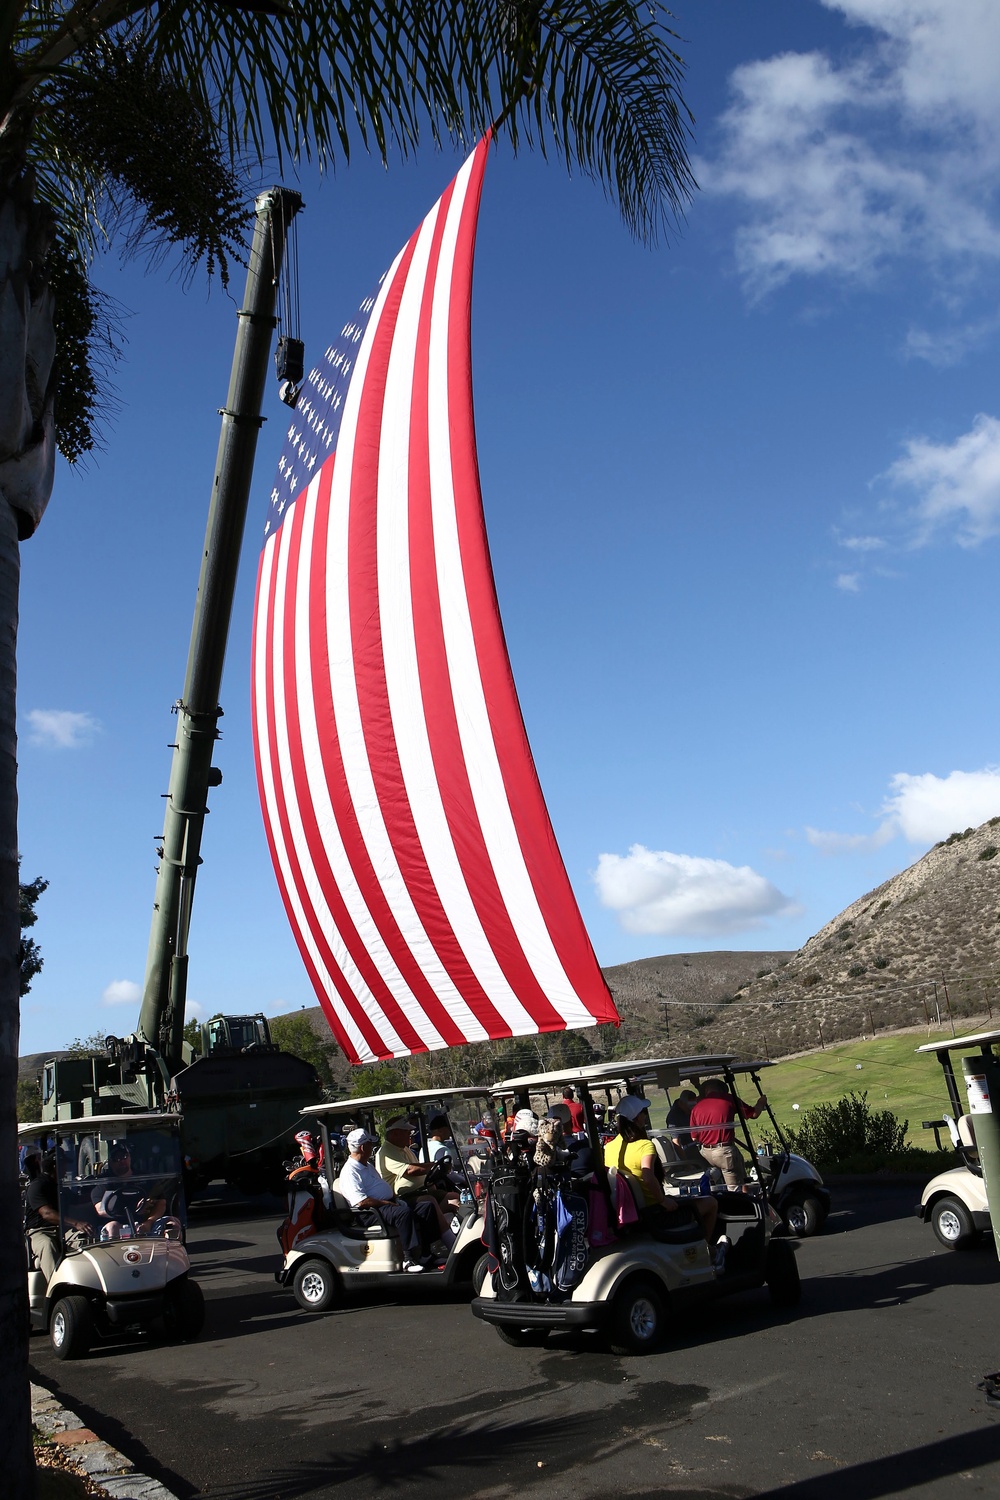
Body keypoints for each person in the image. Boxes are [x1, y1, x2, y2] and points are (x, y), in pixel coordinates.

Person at [604, 1094, 721, 1258]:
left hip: (636, 1214)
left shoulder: (609, 1147)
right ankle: (708, 1252)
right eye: (644, 1111)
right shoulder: (645, 1146)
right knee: (711, 1202)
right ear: (638, 1117)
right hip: (657, 1215)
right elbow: (648, 1177)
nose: (645, 1115)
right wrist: (663, 1201)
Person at [337, 1128, 440, 1272]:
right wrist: (387, 1202)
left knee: (426, 1206)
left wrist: (394, 1199)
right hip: (369, 1212)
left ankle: (426, 1254)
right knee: (402, 1212)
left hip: (383, 1205)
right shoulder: (350, 1171)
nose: (372, 1147)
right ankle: (408, 1259)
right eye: (370, 1144)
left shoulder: (366, 1165)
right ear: (362, 1147)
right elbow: (361, 1202)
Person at [688, 1078, 767, 1190]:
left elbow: (694, 1137)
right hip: (724, 1152)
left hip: (706, 1153)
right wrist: (761, 1103)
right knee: (736, 1189)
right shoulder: (728, 1099)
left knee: (722, 1182)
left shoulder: (696, 1108)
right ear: (722, 1089)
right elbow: (753, 1114)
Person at [24, 1153, 91, 1282]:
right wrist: (76, 1223)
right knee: (47, 1245)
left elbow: (77, 1200)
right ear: (56, 1166)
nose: (66, 1168)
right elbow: (47, 1213)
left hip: (62, 1230)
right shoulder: (37, 1186)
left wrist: (97, 1194)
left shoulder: (59, 1186)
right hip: (39, 1232)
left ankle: (85, 1280)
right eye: (64, 1164)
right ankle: (57, 1286)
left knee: (84, 1237)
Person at [91, 1141, 167, 1235]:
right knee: (113, 1227)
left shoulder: (145, 1178)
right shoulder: (104, 1182)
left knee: (172, 1224)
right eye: (117, 1159)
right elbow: (100, 1210)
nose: (122, 1161)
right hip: (116, 1225)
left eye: (124, 1157)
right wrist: (133, 1209)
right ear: (110, 1162)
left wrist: (149, 1222)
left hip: (145, 1223)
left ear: (130, 1158)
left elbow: (161, 1203)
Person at [666, 1089, 703, 1162]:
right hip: (688, 1148)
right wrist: (686, 1163)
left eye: (694, 1105)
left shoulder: (692, 1110)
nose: (692, 1108)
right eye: (690, 1105)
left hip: (700, 1143)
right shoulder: (673, 1117)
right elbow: (676, 1142)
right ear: (681, 1103)